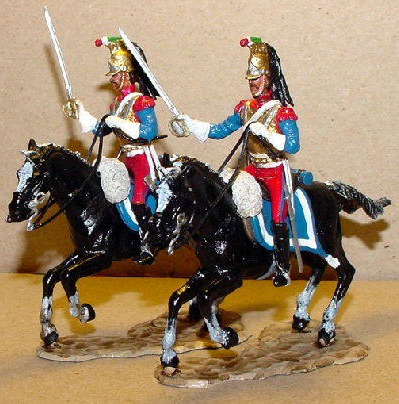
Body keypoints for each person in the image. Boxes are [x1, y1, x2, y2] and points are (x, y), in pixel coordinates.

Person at [173, 37, 300, 286]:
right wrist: (191, 125)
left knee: (277, 216)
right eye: (250, 79)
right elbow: (220, 130)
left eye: (257, 78)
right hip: (252, 169)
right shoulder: (245, 109)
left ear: (269, 79)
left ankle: (282, 267)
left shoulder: (282, 112)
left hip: (275, 171)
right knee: (223, 198)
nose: (252, 84)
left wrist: (266, 134)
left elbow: (293, 145)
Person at [74, 36, 161, 265]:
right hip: (125, 157)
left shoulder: (141, 102)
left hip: (143, 158)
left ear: (126, 74)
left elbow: (149, 131)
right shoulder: (117, 105)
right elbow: (102, 129)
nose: (112, 79)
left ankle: (148, 243)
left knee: (139, 201)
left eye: (115, 74)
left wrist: (119, 122)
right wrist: (81, 113)